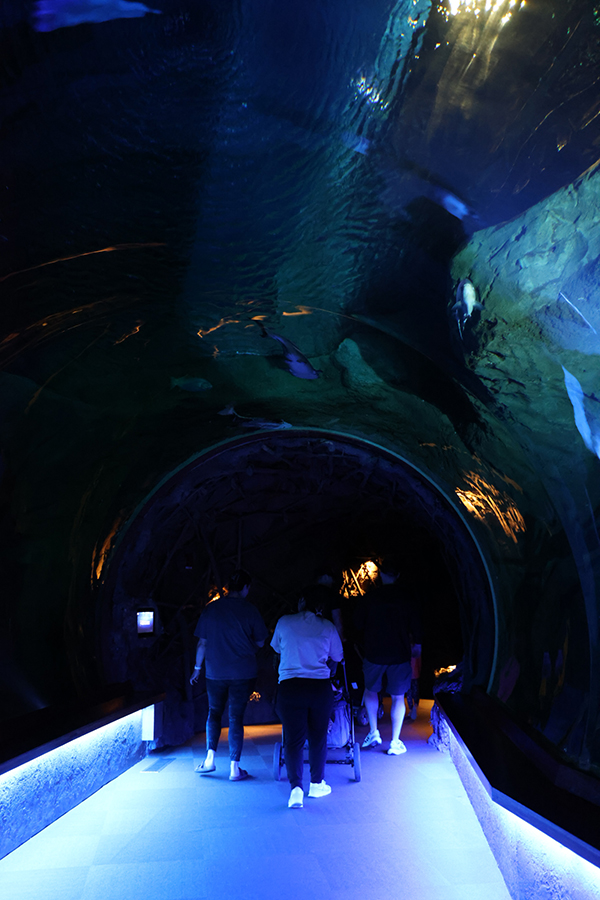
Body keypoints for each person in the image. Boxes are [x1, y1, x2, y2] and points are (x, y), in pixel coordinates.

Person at [190, 569, 268, 780]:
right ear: (245, 588)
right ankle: (235, 768)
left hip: (215, 672)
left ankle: (209, 760)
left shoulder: (211, 609)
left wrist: (197, 668)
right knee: (236, 717)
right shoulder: (250, 610)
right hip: (243, 672)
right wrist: (247, 647)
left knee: (214, 713)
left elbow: (202, 643)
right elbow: (261, 641)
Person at [271, 585, 344, 809]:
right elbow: (338, 657)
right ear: (320, 607)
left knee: (292, 740)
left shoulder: (284, 622)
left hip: (290, 687)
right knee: (318, 737)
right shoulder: (328, 627)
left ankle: (295, 789)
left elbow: (276, 650)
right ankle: (316, 783)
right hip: (319, 688)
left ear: (301, 601)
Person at [353, 559, 422, 756]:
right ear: (398, 576)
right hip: (400, 653)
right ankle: (395, 741)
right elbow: (416, 626)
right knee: (398, 697)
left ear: (380, 575)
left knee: (370, 690)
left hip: (374, 652)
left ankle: (374, 732)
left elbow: (357, 623)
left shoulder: (370, 597)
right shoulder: (407, 598)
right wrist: (416, 644)